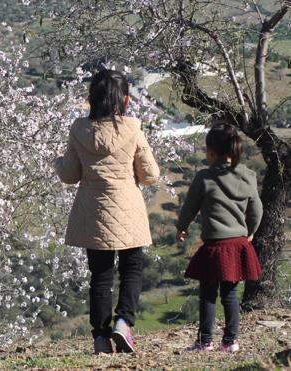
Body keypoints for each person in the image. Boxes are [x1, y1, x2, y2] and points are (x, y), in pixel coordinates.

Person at [54, 69, 160, 354]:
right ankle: (124, 322)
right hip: (128, 208)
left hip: (93, 211)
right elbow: (150, 175)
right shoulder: (133, 127)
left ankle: (100, 338)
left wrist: (57, 163)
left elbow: (70, 176)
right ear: (125, 99)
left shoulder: (79, 128)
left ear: (91, 99)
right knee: (132, 269)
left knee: (100, 275)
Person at [176, 123, 263, 353]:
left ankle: (205, 341)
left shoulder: (204, 177)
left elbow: (189, 207)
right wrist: (250, 231)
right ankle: (231, 341)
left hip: (215, 245)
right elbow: (257, 210)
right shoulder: (248, 176)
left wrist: (182, 227)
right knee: (230, 293)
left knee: (207, 293)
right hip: (238, 243)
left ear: (212, 152)